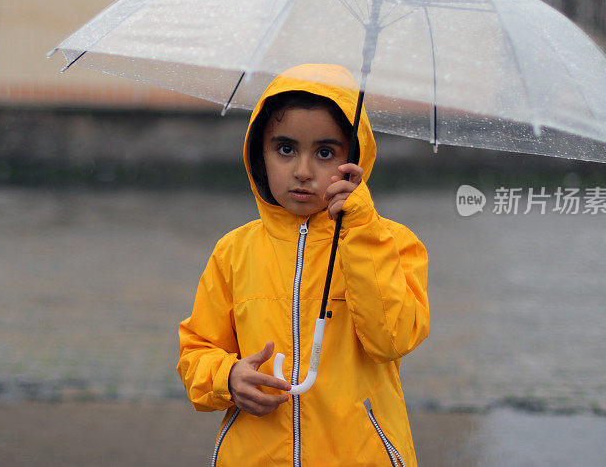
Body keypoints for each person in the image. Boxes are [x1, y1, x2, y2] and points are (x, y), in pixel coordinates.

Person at [177, 63, 429, 466]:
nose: (303, 171)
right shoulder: (233, 251)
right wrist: (228, 377)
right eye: (285, 149)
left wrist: (361, 231)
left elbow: (392, 339)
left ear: (355, 159)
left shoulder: (393, 244)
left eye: (325, 153)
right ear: (260, 153)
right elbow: (196, 351)